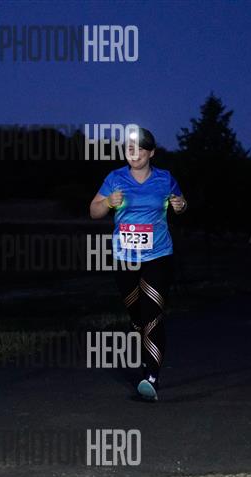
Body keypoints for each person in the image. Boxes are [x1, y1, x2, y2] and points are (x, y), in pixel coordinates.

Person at [89, 127, 187, 401]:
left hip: (158, 256)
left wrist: (181, 205)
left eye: (139, 150)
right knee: (137, 318)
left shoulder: (165, 179)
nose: (133, 154)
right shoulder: (115, 178)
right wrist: (108, 202)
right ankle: (144, 353)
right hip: (125, 259)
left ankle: (151, 376)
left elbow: (181, 203)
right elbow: (94, 211)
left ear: (151, 153)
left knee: (152, 315)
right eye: (129, 149)